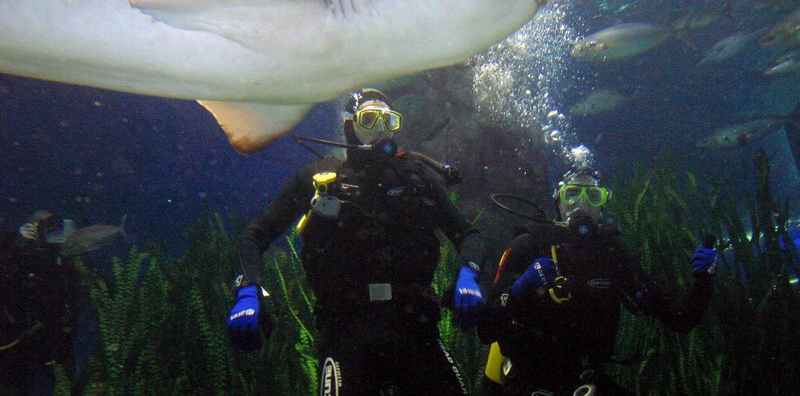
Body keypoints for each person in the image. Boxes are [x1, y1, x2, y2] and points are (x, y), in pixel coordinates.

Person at [226, 88, 486, 395]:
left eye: (388, 121)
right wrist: (247, 290)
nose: (380, 131)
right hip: (344, 331)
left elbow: (470, 235)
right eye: (370, 120)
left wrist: (469, 274)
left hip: (416, 328)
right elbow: (254, 236)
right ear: (350, 126)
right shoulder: (320, 178)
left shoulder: (417, 179)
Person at [478, 166, 718, 395]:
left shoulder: (612, 254)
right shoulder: (530, 246)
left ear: (602, 204)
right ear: (558, 200)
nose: (581, 204)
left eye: (592, 196)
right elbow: (486, 327)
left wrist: (703, 281)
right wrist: (520, 288)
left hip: (584, 378)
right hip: (527, 378)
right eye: (572, 194)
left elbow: (680, 319)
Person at [0, 211, 79, 394]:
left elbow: (74, 293)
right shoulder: (12, 246)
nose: (48, 231)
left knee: (72, 384)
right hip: (13, 340)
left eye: (53, 226)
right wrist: (18, 244)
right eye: (42, 225)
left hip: (52, 338)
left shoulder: (60, 256)